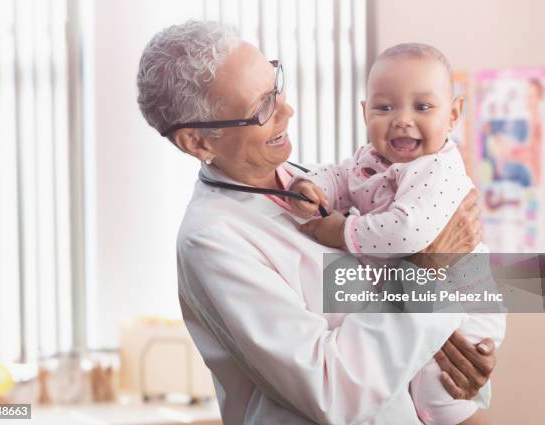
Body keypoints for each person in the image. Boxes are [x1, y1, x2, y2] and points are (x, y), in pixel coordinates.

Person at [136, 21, 497, 425]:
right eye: (262, 108)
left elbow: (388, 312)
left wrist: (460, 353)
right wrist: (431, 269)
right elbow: (333, 391)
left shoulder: (318, 182)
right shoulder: (212, 240)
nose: (288, 110)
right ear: (198, 142)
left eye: (277, 87)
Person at [287, 43, 506, 425]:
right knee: (409, 378)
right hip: (422, 296)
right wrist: (313, 184)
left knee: (443, 397)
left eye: (422, 107)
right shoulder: (370, 160)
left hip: (466, 302)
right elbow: (340, 177)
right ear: (364, 112)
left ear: (453, 114)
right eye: (385, 107)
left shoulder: (437, 170)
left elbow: (409, 232)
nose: (402, 119)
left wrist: (343, 231)